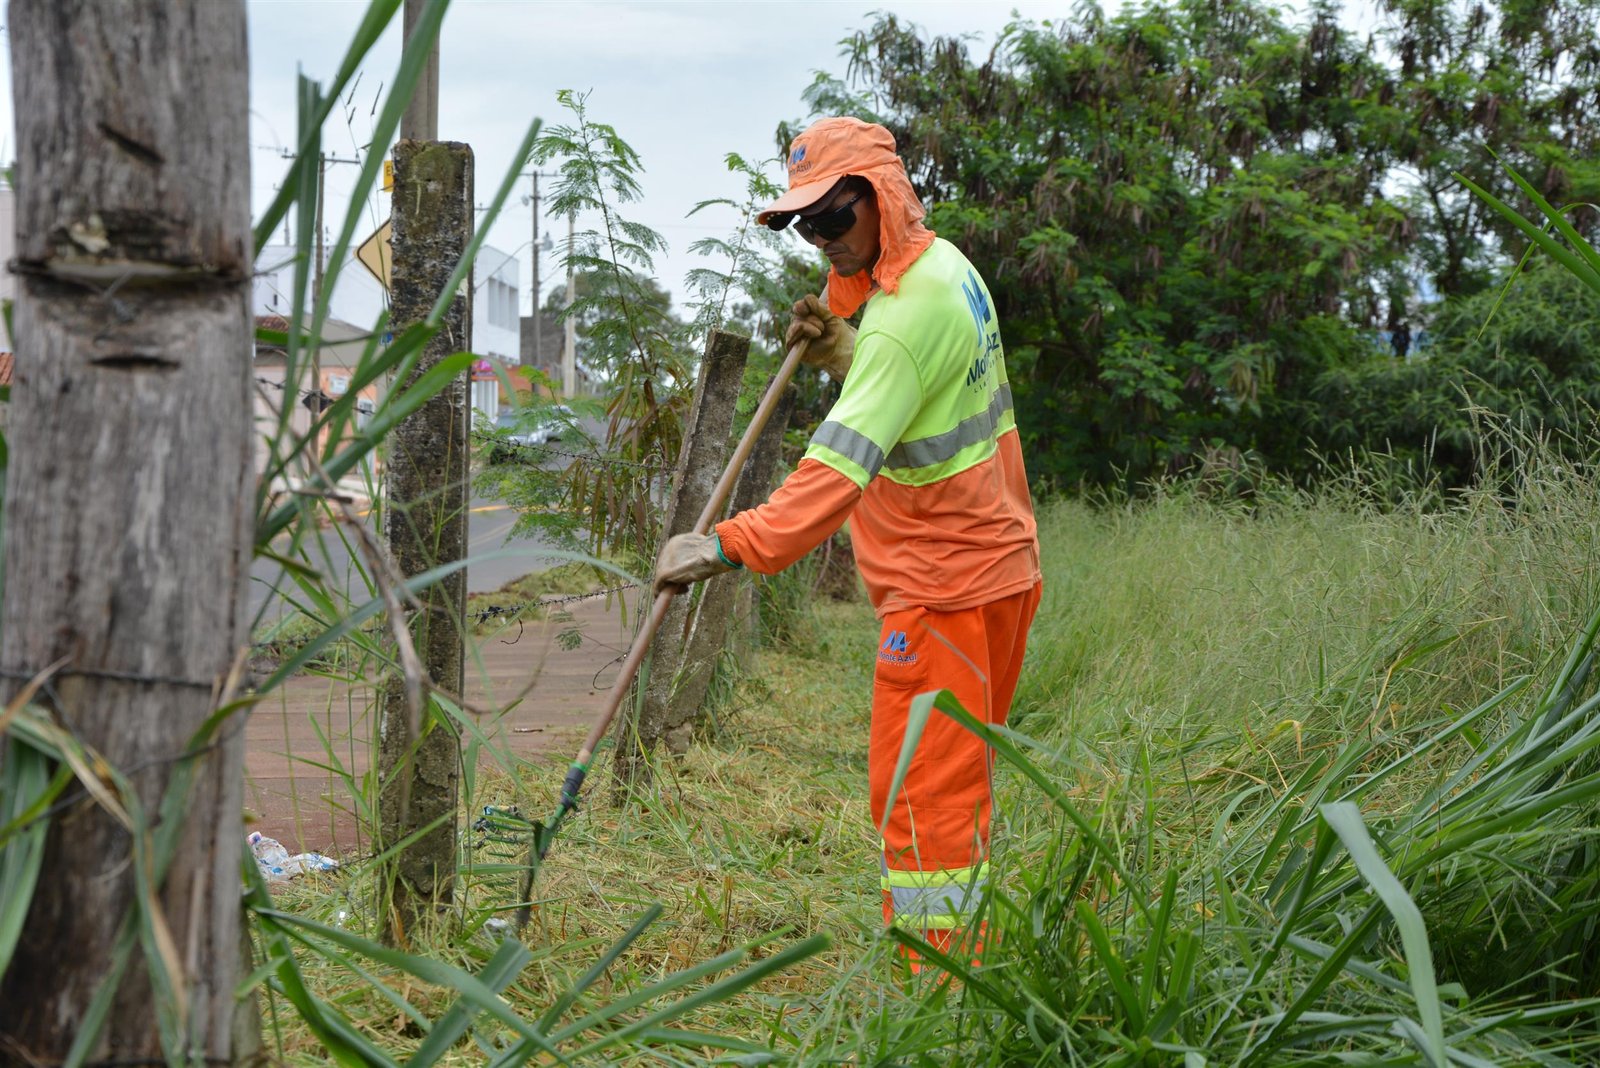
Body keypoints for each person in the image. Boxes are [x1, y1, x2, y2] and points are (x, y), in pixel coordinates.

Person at [653, 116, 1041, 967]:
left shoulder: (903, 322)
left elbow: (831, 479)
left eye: (835, 217)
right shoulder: (948, 271)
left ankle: (941, 995)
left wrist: (719, 547)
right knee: (954, 789)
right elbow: (915, 391)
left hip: (942, 595)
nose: (821, 241)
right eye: (805, 224)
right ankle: (965, 963)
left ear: (885, 199)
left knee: (921, 804)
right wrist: (841, 347)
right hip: (997, 568)